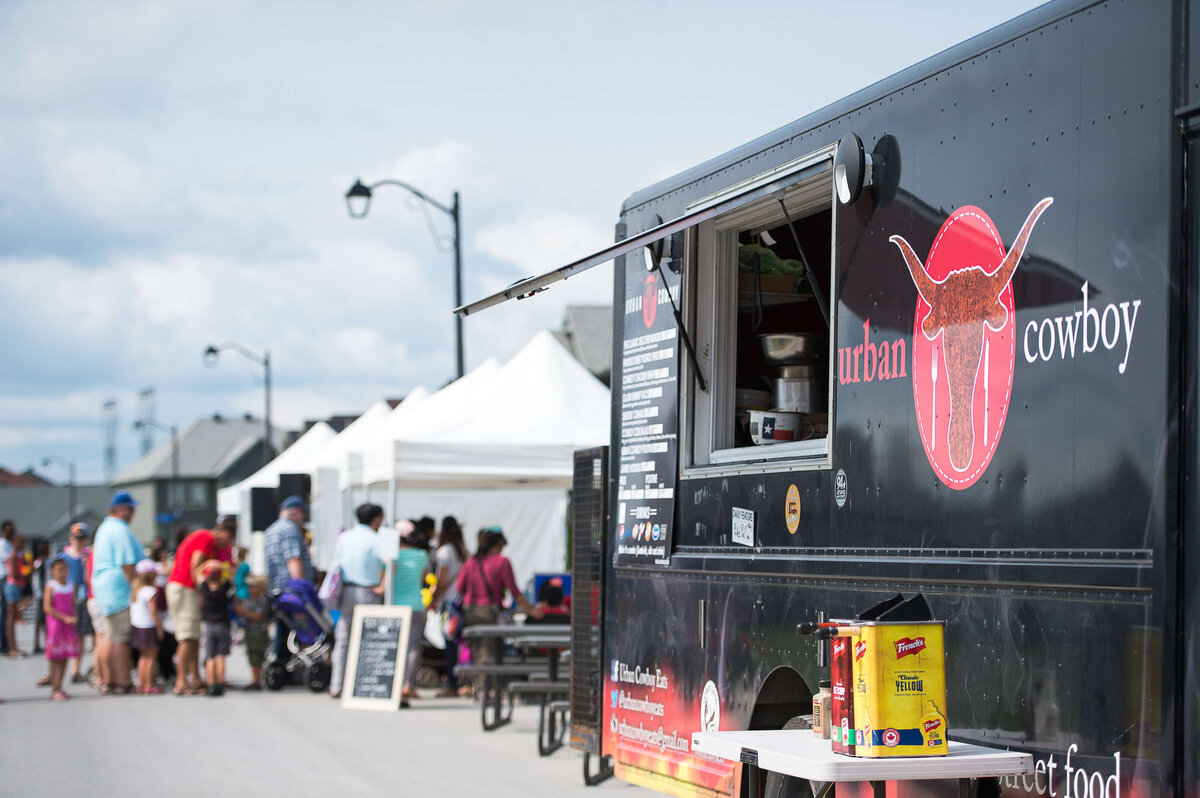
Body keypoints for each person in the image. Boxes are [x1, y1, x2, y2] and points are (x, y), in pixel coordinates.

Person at [165, 517, 236, 696]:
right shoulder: (207, 538)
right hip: (184, 588)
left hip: (182, 588)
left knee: (194, 637)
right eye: (229, 542)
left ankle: (195, 680)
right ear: (225, 534)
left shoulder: (204, 538)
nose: (226, 547)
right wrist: (201, 587)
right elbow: (196, 562)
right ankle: (181, 681)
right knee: (187, 638)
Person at [456, 528, 543, 667]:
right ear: (498, 544)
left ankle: (477, 685)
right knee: (489, 652)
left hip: (469, 610)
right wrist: (531, 610)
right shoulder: (502, 562)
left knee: (475, 650)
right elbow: (514, 591)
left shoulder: (471, 562)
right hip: (489, 612)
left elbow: (460, 587)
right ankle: (487, 688)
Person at [328, 503, 386, 699]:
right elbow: (388, 564)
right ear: (376, 518)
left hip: (346, 590)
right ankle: (364, 685)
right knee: (370, 640)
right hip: (368, 591)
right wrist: (381, 587)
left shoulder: (344, 537)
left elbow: (336, 563)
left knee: (343, 639)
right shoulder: (378, 538)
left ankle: (337, 685)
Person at [91, 492, 143, 695]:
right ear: (119, 509)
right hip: (118, 590)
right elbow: (127, 564)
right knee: (120, 637)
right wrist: (136, 590)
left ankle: (106, 679)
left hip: (103, 590)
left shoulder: (104, 528)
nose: (133, 513)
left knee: (106, 635)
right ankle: (122, 681)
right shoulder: (120, 530)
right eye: (130, 509)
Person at [264, 495, 314, 658]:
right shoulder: (289, 529)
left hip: (277, 588)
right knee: (300, 629)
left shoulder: (271, 530)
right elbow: (293, 559)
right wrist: (301, 589)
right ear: (295, 512)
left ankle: (279, 661)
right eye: (302, 514)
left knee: (282, 629)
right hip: (291, 590)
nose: (304, 519)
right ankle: (292, 661)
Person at [392, 520, 431, 704]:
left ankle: (395, 685)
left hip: (394, 606)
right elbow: (425, 579)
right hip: (416, 605)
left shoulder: (391, 556)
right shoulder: (421, 555)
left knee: (396, 647)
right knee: (413, 647)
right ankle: (409, 685)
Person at [429, 516, 468, 697]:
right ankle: (464, 682)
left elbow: (441, 580)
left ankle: (453, 684)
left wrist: (433, 597)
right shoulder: (463, 551)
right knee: (463, 644)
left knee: (450, 644)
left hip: (449, 603)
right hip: (462, 601)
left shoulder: (444, 551)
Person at [42, 556, 80, 701]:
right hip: (56, 626)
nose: (61, 572)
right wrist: (63, 617)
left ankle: (60, 685)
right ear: (52, 571)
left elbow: (73, 604)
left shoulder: (70, 585)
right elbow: (47, 607)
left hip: (68, 626)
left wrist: (74, 617)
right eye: (58, 569)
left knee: (64, 657)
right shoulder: (51, 586)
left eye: (64, 569)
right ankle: (54, 687)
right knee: (55, 658)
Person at [61, 524, 92, 684]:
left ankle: (76, 670)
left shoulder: (87, 557)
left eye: (82, 539)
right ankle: (58, 671)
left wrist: (87, 564)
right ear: (71, 539)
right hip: (67, 601)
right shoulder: (63, 558)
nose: (79, 542)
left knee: (81, 635)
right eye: (76, 538)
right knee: (65, 636)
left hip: (83, 598)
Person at [198, 561, 232, 697]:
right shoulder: (224, 587)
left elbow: (197, 573)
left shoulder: (204, 588)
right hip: (223, 625)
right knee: (220, 656)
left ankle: (210, 683)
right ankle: (220, 682)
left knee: (210, 657)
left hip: (209, 625)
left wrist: (206, 565)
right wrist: (222, 567)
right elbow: (231, 575)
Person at [130, 560, 163, 695]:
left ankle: (141, 684)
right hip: (148, 627)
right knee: (151, 657)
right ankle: (149, 684)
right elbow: (153, 611)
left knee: (143, 657)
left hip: (137, 627)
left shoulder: (136, 590)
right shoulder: (150, 591)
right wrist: (159, 627)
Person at [237, 575, 270, 690]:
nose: (250, 589)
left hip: (259, 633)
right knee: (251, 656)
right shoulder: (248, 600)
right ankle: (254, 680)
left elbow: (258, 616)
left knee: (258, 657)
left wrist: (243, 611)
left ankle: (257, 680)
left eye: (253, 586)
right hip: (249, 632)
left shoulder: (263, 600)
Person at [5, 531, 28, 659]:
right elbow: (14, 574)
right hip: (13, 586)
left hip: (16, 586)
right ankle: (11, 648)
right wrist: (25, 575)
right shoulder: (13, 555)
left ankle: (14, 646)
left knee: (13, 618)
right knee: (10, 618)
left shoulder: (18, 555)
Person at [0, 519, 13, 654]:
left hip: (10, 580)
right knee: (6, 613)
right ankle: (4, 645)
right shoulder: (2, 544)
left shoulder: (9, 544)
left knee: (7, 614)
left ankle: (7, 644)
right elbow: (9, 561)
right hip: (4, 580)